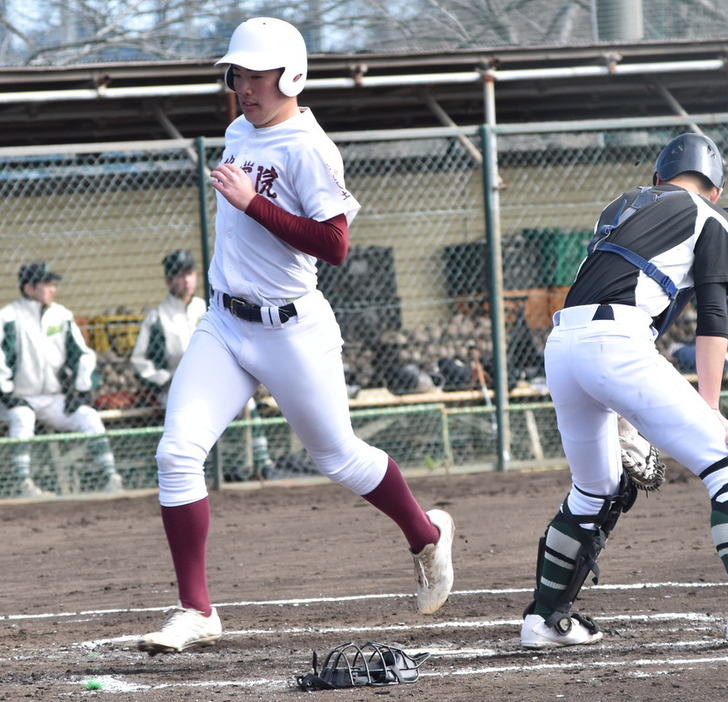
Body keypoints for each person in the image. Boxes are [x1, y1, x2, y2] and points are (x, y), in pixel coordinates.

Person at [136, 17, 454, 655]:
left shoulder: (311, 146)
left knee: (338, 457)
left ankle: (425, 534)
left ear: (291, 77)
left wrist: (255, 204)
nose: (243, 87)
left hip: (291, 328)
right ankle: (197, 610)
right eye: (238, 75)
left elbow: (334, 247)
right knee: (176, 455)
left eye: (256, 76)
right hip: (224, 322)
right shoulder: (236, 131)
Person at [520, 133, 728, 649]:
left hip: (564, 344)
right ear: (715, 191)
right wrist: (712, 413)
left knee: (596, 490)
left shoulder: (621, 207)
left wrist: (618, 402)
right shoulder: (711, 218)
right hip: (615, 343)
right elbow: (713, 319)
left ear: (660, 178)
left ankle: (544, 621)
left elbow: (624, 298)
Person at [130, 249, 274, 478]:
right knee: (188, 418)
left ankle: (260, 463)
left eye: (189, 272)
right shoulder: (157, 317)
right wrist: (165, 381)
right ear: (168, 280)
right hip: (175, 385)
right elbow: (139, 361)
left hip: (214, 380)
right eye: (178, 274)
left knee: (248, 404)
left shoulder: (210, 306)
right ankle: (195, 472)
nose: (186, 279)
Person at [0, 261, 123, 497]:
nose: (52, 289)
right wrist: (7, 395)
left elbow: (82, 355)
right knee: (23, 417)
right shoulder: (7, 317)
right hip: (15, 400)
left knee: (89, 416)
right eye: (46, 284)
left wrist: (81, 390)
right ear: (28, 288)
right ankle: (22, 484)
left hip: (52, 398)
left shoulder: (61, 315)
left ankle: (111, 478)